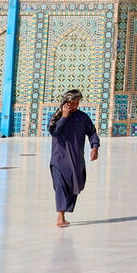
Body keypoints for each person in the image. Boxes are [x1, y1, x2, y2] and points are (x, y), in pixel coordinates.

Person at [48, 89, 99, 228]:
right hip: (59, 159)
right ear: (66, 103)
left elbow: (92, 132)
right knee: (60, 186)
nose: (75, 106)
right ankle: (60, 216)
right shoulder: (57, 117)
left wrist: (94, 147)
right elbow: (55, 132)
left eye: (77, 103)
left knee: (74, 186)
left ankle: (63, 214)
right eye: (72, 103)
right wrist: (64, 117)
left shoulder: (82, 117)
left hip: (76, 160)